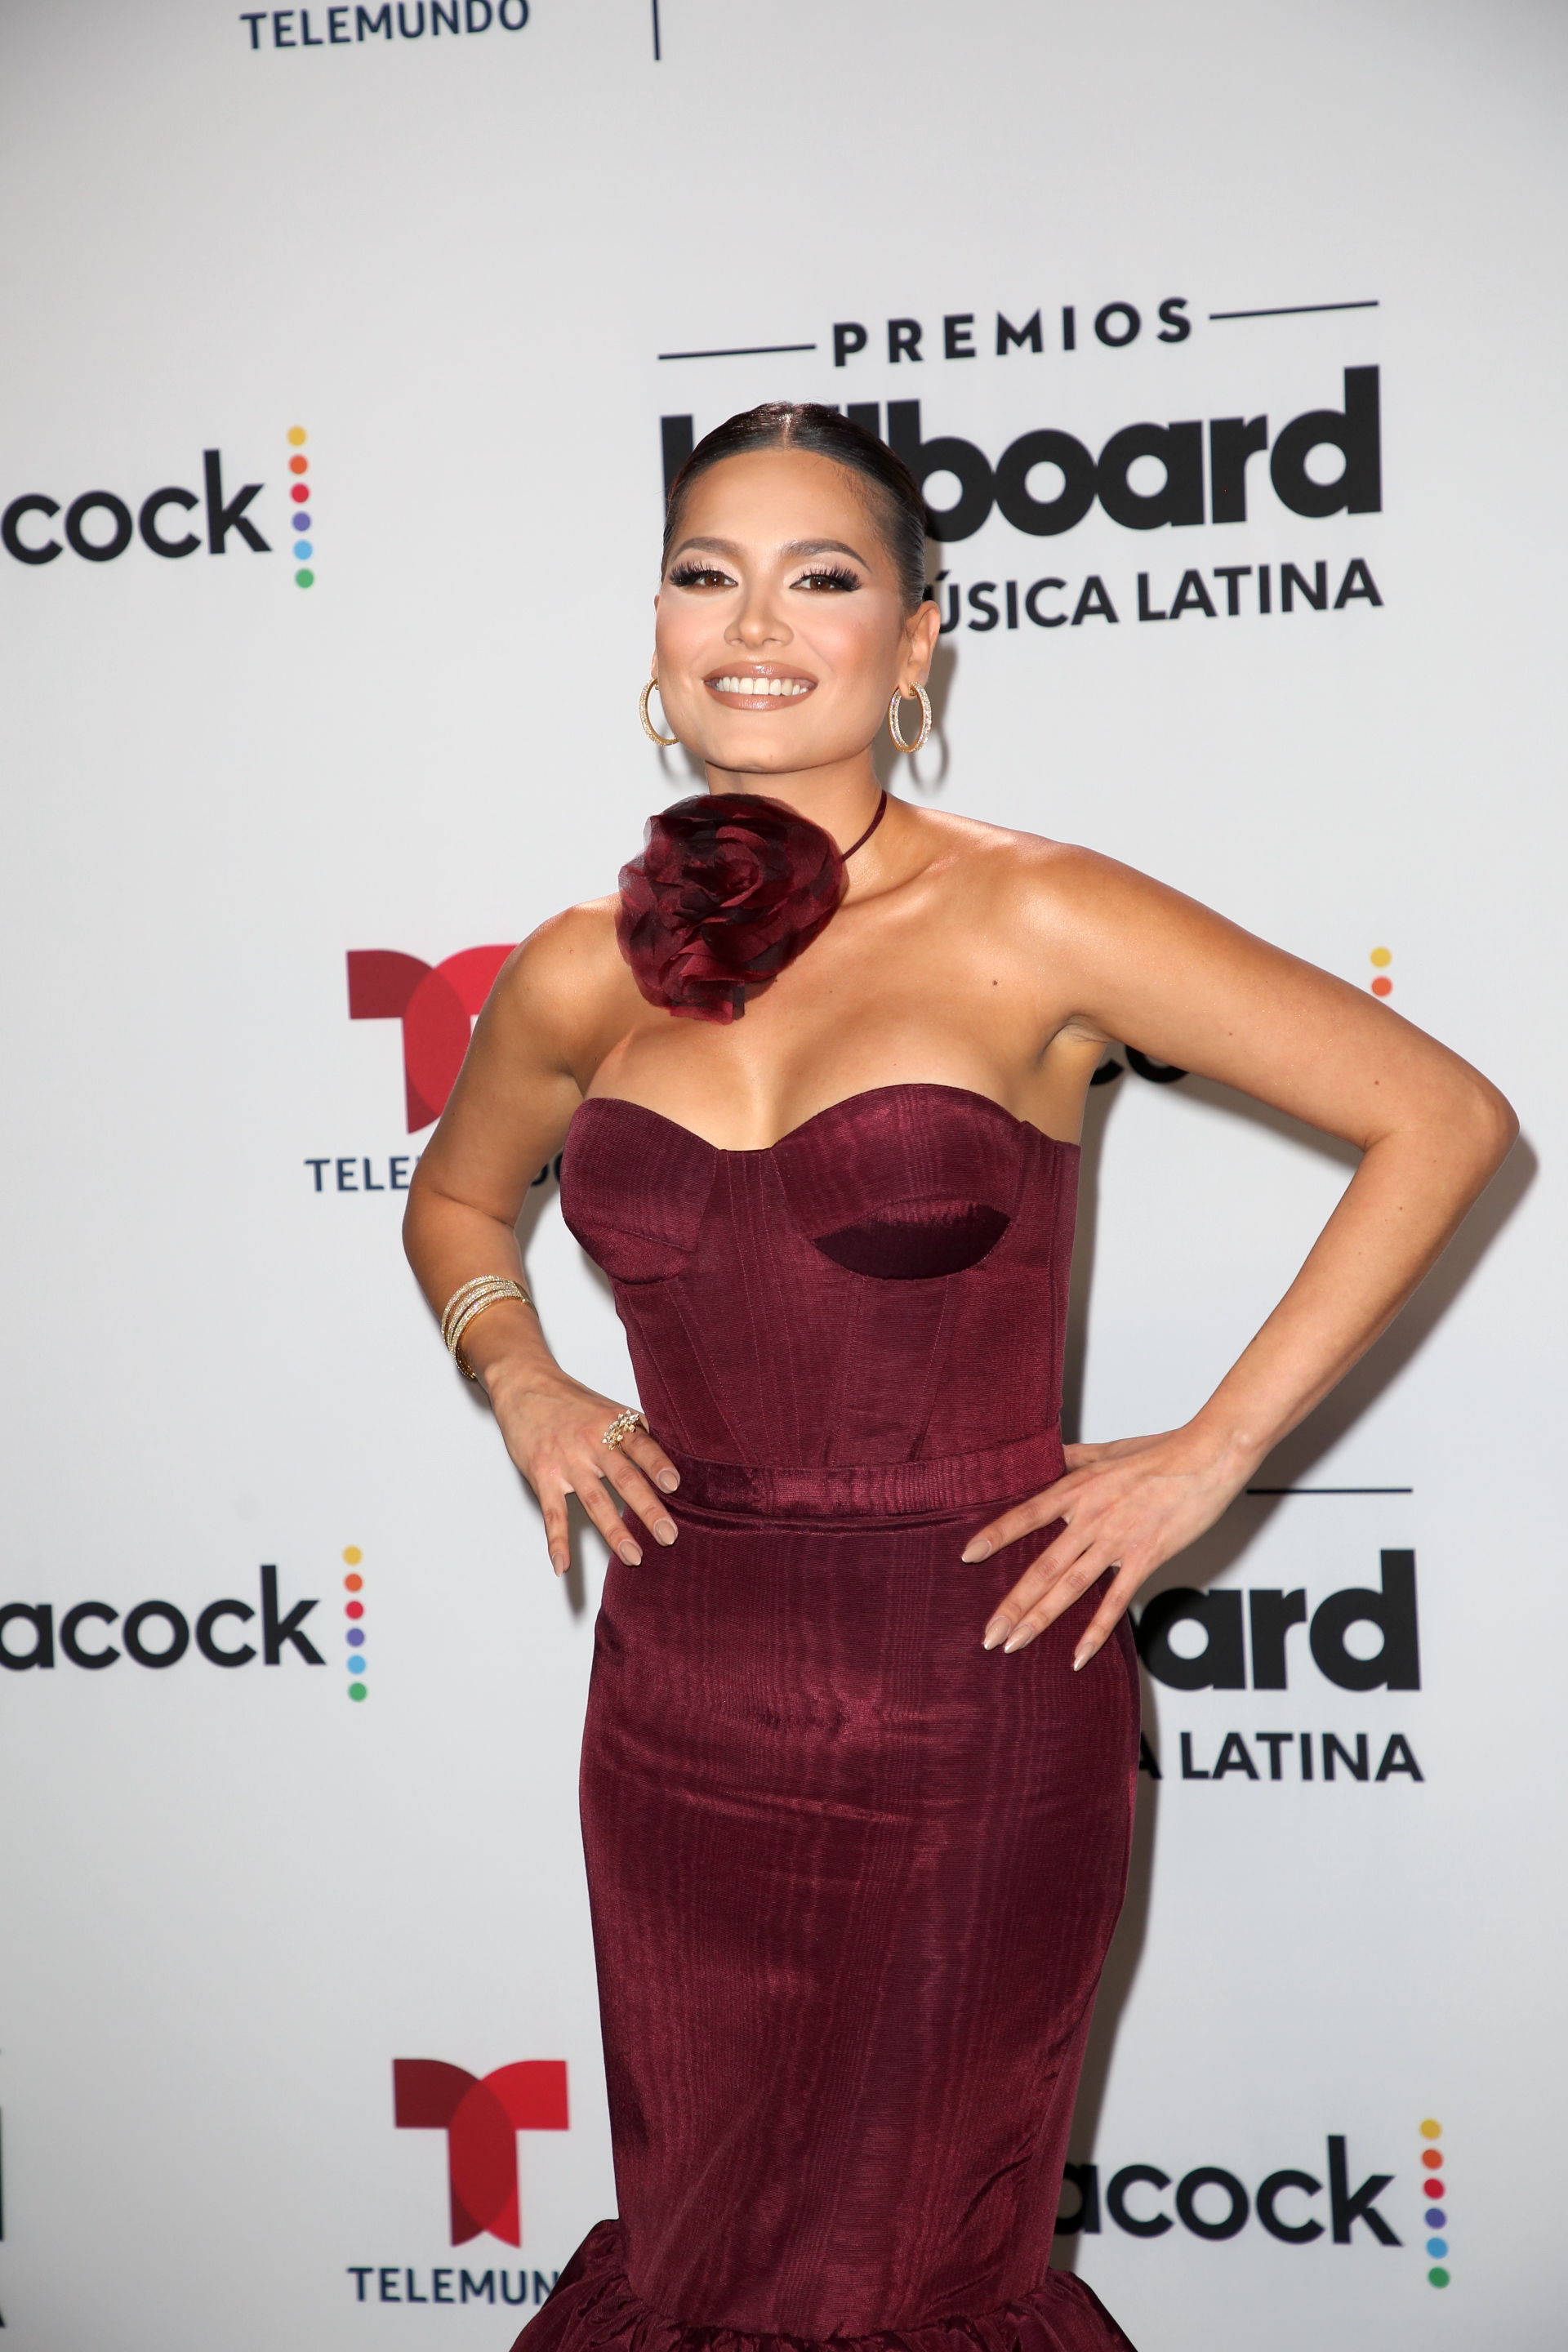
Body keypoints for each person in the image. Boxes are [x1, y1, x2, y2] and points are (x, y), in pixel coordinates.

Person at [402, 403, 1514, 2352]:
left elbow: (1441, 1117)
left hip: (977, 1685)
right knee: (703, 2244)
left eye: (822, 578)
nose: (755, 623)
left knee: (913, 2261)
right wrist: (527, 1382)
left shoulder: (1039, 913)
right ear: (653, 627)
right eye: (704, 572)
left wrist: (1212, 1461)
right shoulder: (584, 963)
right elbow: (457, 1203)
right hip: (680, 1701)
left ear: (920, 640)